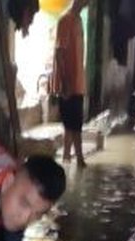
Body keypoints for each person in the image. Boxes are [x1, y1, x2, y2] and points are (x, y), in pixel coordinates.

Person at [52, 0, 90, 167]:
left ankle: (67, 157)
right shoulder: (66, 20)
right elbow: (59, 52)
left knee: (71, 122)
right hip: (69, 84)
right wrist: (65, 82)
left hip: (77, 82)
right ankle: (79, 159)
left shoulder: (78, 20)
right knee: (74, 123)